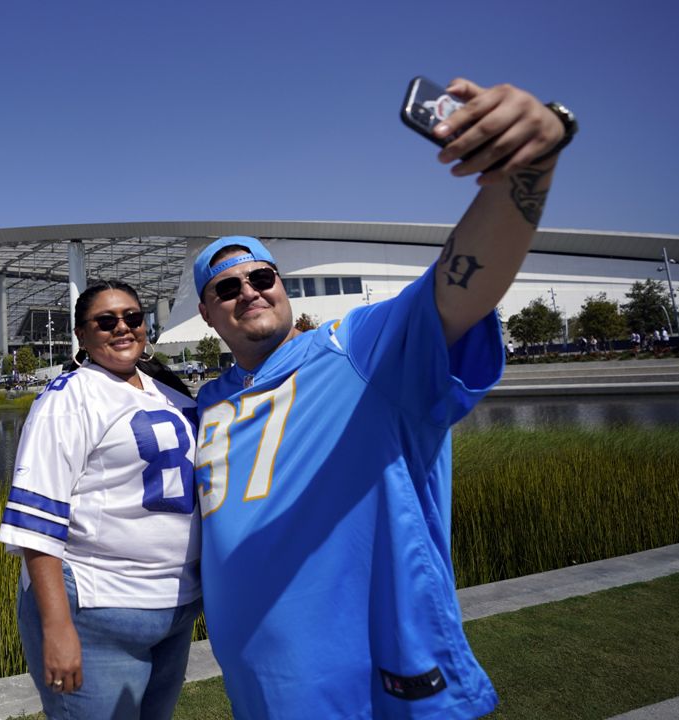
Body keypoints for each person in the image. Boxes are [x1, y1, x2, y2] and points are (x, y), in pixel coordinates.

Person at [190, 77, 575, 719]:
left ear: (283, 286)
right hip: (258, 689)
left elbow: (457, 289)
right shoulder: (208, 402)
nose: (249, 293)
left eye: (261, 277)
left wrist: (523, 174)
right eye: (227, 289)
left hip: (375, 686)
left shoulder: (358, 350)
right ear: (206, 313)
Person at [0, 280, 202, 719]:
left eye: (132, 317)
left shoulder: (170, 393)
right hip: (97, 611)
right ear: (82, 335)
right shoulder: (69, 398)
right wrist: (57, 628)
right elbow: (37, 523)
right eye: (106, 321)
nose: (122, 328)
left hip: (174, 609)